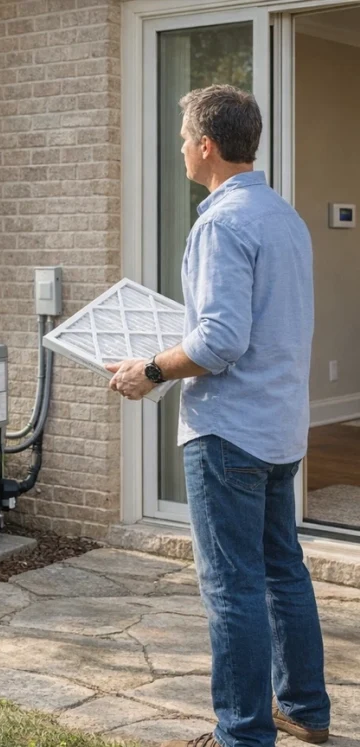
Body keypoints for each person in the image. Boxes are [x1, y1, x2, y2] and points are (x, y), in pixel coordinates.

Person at [105, 84, 331, 747]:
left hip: (228, 432)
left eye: (183, 139)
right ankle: (306, 710)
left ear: (206, 145)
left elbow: (221, 341)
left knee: (232, 586)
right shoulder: (283, 217)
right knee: (283, 567)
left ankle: (241, 733)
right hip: (281, 426)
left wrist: (148, 371)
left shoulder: (220, 222)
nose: (179, 148)